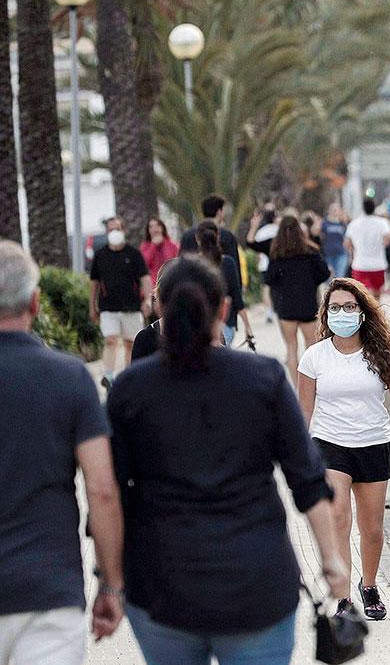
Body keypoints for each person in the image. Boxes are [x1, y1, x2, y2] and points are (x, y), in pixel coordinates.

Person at [107, 256, 347, 664]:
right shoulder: (264, 378)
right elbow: (306, 479)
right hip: (256, 585)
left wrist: (109, 582)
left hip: (162, 586)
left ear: (158, 307)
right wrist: (332, 562)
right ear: (223, 309)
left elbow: (107, 492)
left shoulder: (130, 389)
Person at [0, 241, 125, 662]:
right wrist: (111, 583)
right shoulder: (69, 378)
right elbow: (102, 490)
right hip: (47, 590)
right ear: (35, 303)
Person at [299, 278, 390, 620]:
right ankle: (344, 597)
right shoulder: (314, 357)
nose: (342, 313)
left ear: (363, 312)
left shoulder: (381, 354)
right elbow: (303, 410)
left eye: (349, 307)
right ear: (326, 314)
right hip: (330, 444)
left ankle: (369, 586)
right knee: (338, 518)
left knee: (373, 528)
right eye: (334, 307)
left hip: (373, 444)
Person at [265, 215, 331, 384]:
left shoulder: (276, 254)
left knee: (291, 348)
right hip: (308, 304)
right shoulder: (310, 252)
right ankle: (312, 385)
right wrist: (311, 282)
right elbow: (325, 273)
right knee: (311, 347)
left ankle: (297, 388)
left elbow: (270, 279)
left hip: (286, 306)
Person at [90, 216, 152, 388]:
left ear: (124, 231)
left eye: (117, 229)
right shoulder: (100, 255)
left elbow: (145, 279)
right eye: (110, 230)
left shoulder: (133, 254)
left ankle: (128, 377)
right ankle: (108, 377)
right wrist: (92, 306)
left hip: (131, 308)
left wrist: (147, 299)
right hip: (108, 307)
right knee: (110, 340)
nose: (114, 232)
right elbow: (94, 282)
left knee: (130, 344)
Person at [195, 220, 251, 349]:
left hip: (199, 324)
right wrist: (247, 326)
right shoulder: (228, 263)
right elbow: (236, 296)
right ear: (217, 236)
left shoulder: (191, 265)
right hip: (226, 323)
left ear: (197, 239)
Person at [179, 195, 243, 291]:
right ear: (219, 212)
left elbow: (181, 264)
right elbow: (234, 268)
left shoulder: (187, 235)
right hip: (221, 289)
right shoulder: (227, 236)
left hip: (193, 290)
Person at [344, 198, 390, 298]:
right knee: (377, 295)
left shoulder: (354, 223)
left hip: (360, 264)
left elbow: (347, 244)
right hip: (378, 264)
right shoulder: (382, 222)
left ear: (363, 208)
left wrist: (355, 248)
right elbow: (388, 240)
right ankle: (374, 312)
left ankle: (366, 312)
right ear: (374, 208)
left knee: (362, 295)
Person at [139, 217, 179, 289]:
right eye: (151, 226)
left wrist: (163, 244)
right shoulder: (144, 246)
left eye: (157, 225)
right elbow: (144, 264)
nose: (155, 229)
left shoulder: (172, 245)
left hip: (170, 284)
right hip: (152, 287)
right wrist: (153, 246)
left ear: (162, 228)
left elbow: (172, 262)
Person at [321, 204, 350, 278]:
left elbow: (347, 238)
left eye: (336, 210)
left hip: (341, 253)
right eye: (333, 210)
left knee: (339, 276)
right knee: (329, 277)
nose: (335, 212)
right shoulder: (324, 224)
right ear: (329, 211)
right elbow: (321, 236)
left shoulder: (342, 224)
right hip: (329, 254)